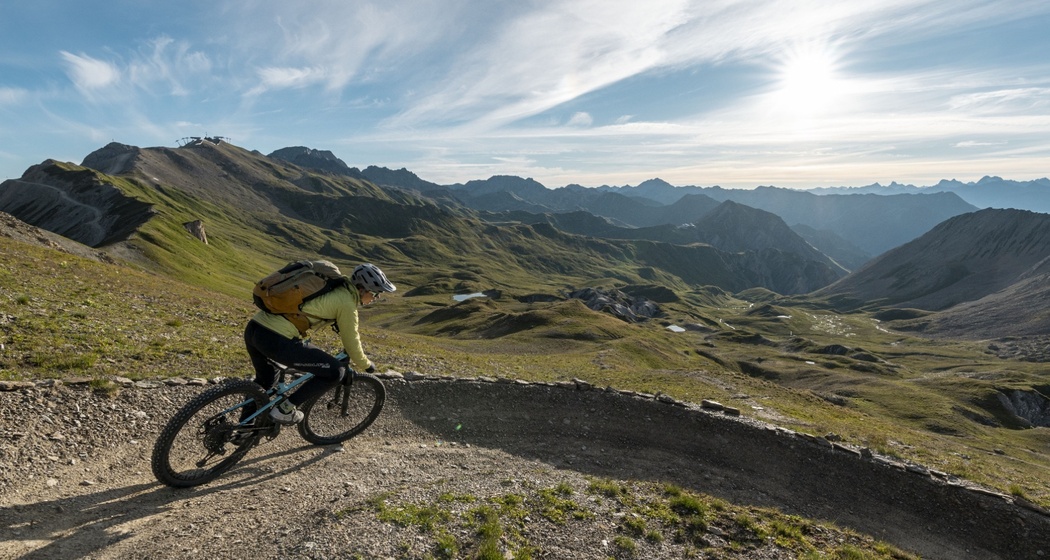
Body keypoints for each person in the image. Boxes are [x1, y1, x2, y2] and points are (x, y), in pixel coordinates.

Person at [244, 262, 396, 424]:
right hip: (276, 338)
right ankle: (284, 410)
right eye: (375, 293)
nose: (376, 298)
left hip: (255, 329)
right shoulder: (346, 303)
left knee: (265, 382)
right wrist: (366, 365)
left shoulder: (333, 288)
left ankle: (242, 429)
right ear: (362, 289)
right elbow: (352, 341)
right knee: (336, 372)